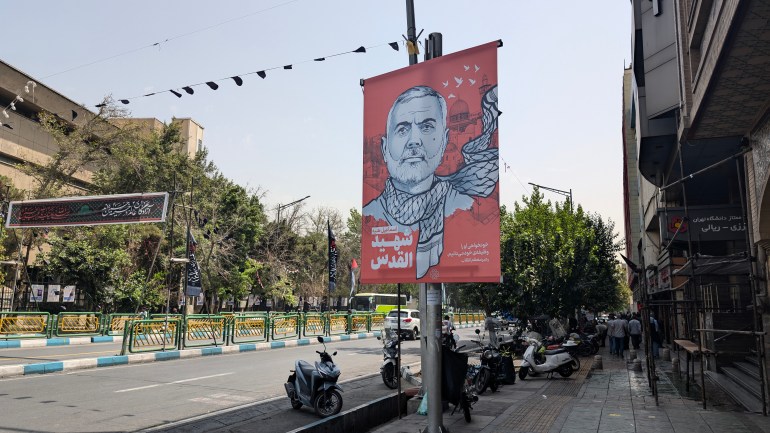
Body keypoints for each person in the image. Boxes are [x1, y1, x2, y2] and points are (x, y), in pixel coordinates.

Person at [363, 85, 500, 279]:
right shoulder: (370, 218)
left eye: (426, 127)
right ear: (384, 149)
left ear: (445, 141)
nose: (414, 141)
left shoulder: (468, 209)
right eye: (402, 129)